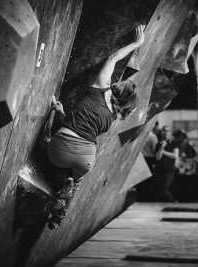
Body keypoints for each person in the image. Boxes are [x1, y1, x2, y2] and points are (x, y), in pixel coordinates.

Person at [45, 25, 145, 229]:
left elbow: (112, 58)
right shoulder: (112, 117)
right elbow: (84, 128)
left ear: (121, 86)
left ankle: (64, 181)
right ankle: (58, 216)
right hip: (85, 157)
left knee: (46, 143)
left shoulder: (101, 87)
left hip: (60, 147)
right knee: (77, 182)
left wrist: (137, 43)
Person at [153, 127, 183, 202]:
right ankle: (165, 207)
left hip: (169, 170)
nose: (166, 133)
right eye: (164, 131)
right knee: (159, 191)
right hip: (159, 170)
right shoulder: (158, 144)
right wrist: (161, 148)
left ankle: (173, 202)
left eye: (167, 131)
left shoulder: (174, 143)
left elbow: (175, 156)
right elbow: (158, 158)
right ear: (161, 133)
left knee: (163, 190)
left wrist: (164, 152)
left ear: (169, 133)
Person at [136, 124, 158, 201]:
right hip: (149, 160)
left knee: (140, 181)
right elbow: (155, 151)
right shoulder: (153, 137)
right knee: (149, 182)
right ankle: (148, 199)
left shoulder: (140, 134)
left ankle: (140, 199)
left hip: (140, 159)